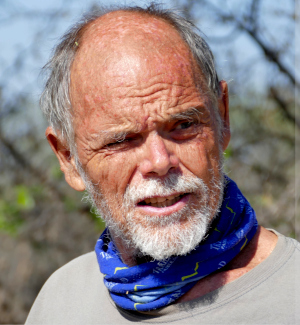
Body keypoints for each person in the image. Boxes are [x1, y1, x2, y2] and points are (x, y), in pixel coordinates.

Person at [25, 3, 299, 324]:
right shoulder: (61, 300)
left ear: (222, 118)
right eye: (120, 140)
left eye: (183, 125)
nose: (159, 162)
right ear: (69, 159)